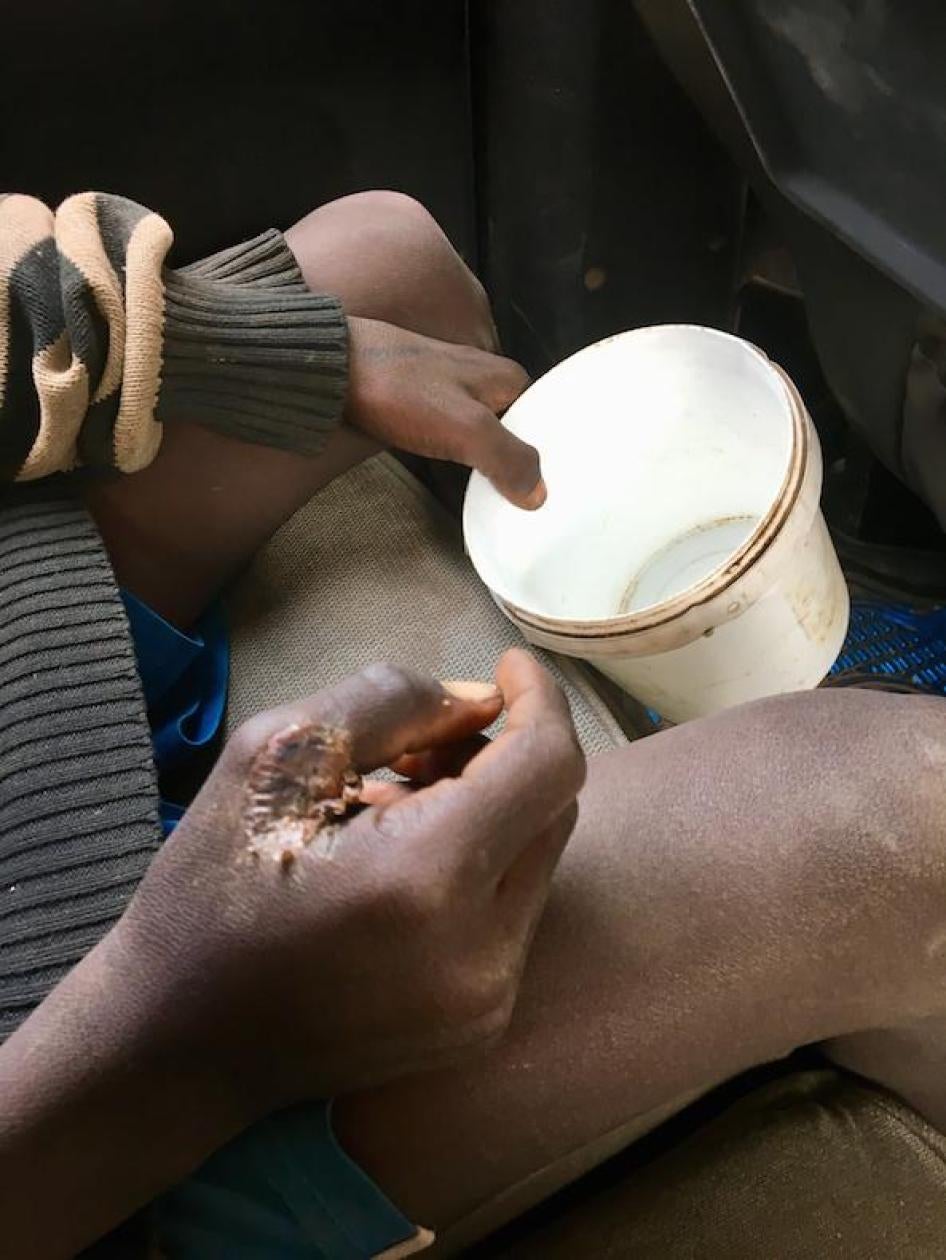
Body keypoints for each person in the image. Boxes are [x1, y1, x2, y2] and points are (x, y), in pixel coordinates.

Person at [3, 189, 946, 1260]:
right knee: (897, 814)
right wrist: (190, 1034)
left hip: (28, 681)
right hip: (82, 1103)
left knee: (394, 264)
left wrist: (259, 350)